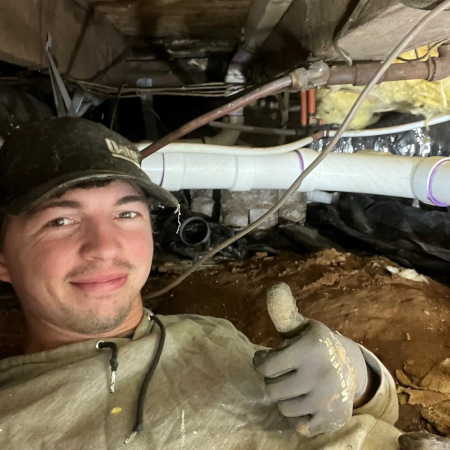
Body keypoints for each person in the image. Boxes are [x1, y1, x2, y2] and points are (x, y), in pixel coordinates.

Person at [0, 117, 402, 449]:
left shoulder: (213, 336)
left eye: (126, 215)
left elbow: (381, 416)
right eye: (61, 221)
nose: (105, 247)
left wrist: (358, 375)